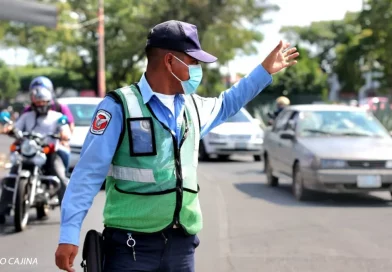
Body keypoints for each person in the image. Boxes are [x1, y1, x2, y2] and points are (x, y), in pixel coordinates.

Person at [55, 20, 299, 272]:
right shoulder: (119, 106)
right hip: (130, 247)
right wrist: (69, 234)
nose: (198, 69)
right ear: (170, 62)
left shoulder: (193, 107)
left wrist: (264, 71)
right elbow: (87, 174)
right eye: (194, 62)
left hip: (181, 246)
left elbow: (229, 102)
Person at [0, 86, 71, 219]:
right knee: (11, 177)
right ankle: (2, 211)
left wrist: (64, 134)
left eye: (43, 102)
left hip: (49, 153)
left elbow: (65, 129)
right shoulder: (27, 116)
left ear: (48, 102)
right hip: (29, 152)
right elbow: (16, 128)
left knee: (61, 179)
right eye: (38, 102)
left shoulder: (57, 117)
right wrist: (9, 129)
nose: (40, 105)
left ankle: (68, 214)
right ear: (33, 103)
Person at [24, 76, 73, 170]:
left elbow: (69, 124)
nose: (39, 98)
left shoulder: (59, 108)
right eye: (35, 93)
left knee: (60, 171)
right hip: (33, 146)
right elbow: (19, 126)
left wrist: (64, 139)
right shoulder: (29, 111)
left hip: (52, 146)